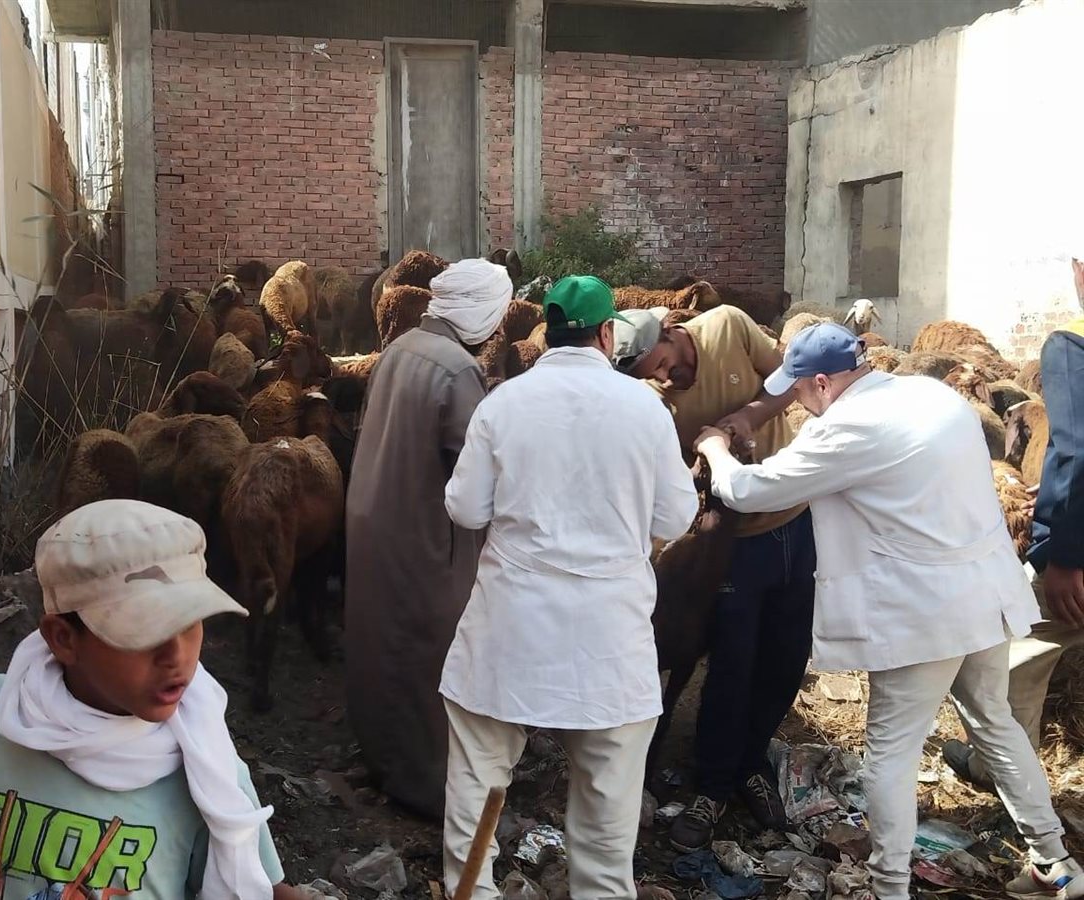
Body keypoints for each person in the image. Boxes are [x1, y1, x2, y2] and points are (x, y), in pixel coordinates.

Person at [693, 323, 1081, 900]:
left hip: (924, 613)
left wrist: (714, 448)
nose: (797, 401)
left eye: (798, 390)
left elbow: (751, 492)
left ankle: (889, 886)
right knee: (994, 722)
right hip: (984, 591)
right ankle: (1056, 862)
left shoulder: (849, 428)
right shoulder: (931, 395)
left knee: (890, 754)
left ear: (822, 383)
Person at [0, 499, 303, 900]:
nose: (177, 656)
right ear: (63, 639)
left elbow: (257, 889)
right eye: (144, 628)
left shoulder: (210, 772)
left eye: (190, 621)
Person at [439, 275, 699, 900]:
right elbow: (674, 518)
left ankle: (470, 891)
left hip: (510, 631)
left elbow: (465, 509)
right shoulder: (645, 408)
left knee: (477, 785)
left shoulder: (503, 403)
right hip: (609, 645)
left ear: (548, 333)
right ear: (608, 333)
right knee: (607, 836)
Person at [611, 305, 815, 848]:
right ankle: (713, 786)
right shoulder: (655, 401)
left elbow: (789, 381)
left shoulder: (728, 325)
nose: (663, 378)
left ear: (670, 334)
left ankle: (752, 764)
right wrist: (703, 460)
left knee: (786, 658)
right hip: (731, 540)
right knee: (731, 662)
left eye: (661, 364)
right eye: (650, 375)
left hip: (794, 519)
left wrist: (748, 416)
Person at [344, 257, 512, 820]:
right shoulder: (457, 370)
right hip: (424, 533)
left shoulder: (401, 348)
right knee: (426, 655)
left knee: (379, 642)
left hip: (376, 518)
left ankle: (379, 759)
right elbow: (474, 470)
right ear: (481, 311)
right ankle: (424, 787)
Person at [943, 254, 1084, 789]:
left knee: (1010, 652)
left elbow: (1077, 449)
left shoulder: (1072, 343)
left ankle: (997, 771)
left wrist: (1064, 557)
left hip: (1076, 556)